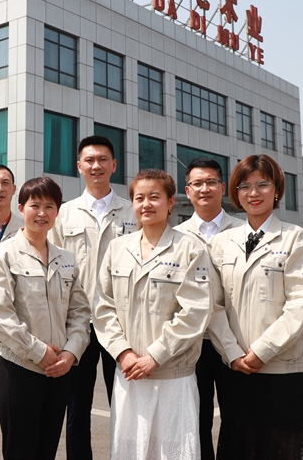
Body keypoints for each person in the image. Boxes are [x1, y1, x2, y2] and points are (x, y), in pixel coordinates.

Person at [207, 155, 303, 459]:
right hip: (235, 369)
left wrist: (262, 351)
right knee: (239, 445)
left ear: (277, 190)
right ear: (236, 193)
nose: (253, 193)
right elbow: (212, 305)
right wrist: (232, 353)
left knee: (282, 447)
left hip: (281, 369)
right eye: (244, 186)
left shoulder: (295, 238)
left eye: (262, 184)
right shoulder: (221, 243)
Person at [93, 169, 212, 459]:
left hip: (173, 377)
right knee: (129, 450)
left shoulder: (190, 248)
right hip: (130, 374)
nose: (146, 204)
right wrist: (123, 353)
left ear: (170, 202)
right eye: (139, 198)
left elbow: (194, 312)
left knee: (174, 452)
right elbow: (103, 306)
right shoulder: (117, 248)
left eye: (154, 197)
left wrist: (155, 356)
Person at [0, 177, 90, 460]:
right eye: (35, 205)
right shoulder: (3, 255)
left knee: (47, 450)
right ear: (21, 208)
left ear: (57, 212)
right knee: (21, 451)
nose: (42, 213)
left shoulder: (67, 258)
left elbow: (80, 312)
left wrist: (71, 353)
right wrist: (39, 352)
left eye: (49, 206)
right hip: (20, 369)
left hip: (59, 370)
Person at [49, 135, 137, 460]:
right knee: (76, 409)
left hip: (121, 325)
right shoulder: (63, 214)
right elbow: (53, 269)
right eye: (89, 160)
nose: (96, 165)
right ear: (79, 166)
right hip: (78, 325)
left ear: (114, 165)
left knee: (126, 406)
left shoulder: (133, 212)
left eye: (102, 160)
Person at [173, 157, 244, 460]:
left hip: (236, 341)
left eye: (211, 182)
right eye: (197, 183)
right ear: (188, 191)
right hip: (193, 343)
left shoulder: (243, 230)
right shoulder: (175, 236)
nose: (204, 189)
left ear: (222, 187)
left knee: (237, 418)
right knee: (195, 421)